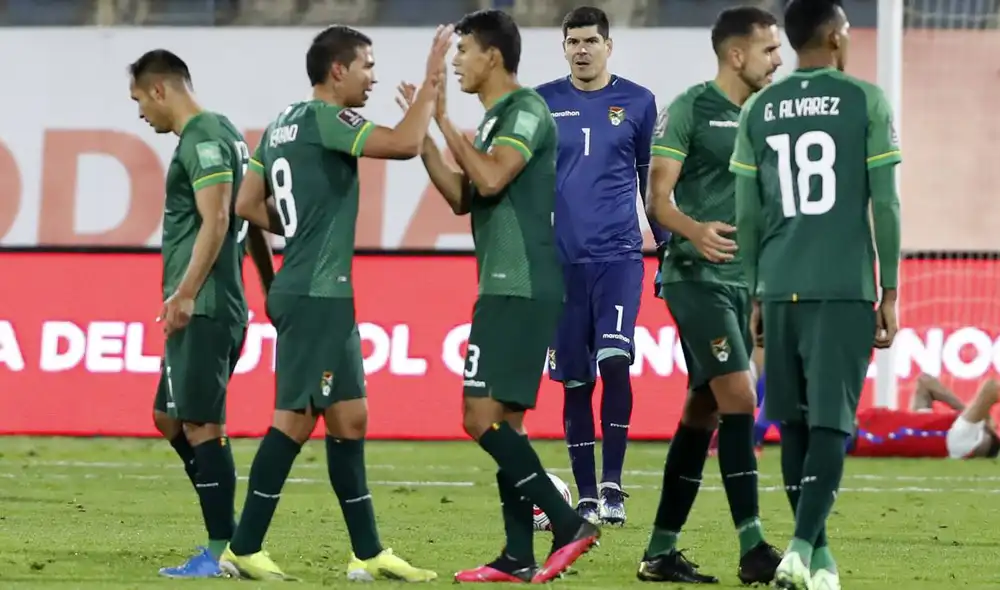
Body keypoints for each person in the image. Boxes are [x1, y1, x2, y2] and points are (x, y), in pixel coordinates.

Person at [218, 24, 451, 582]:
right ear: (338, 70)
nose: (372, 77)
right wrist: (431, 82)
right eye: (367, 66)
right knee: (293, 422)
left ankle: (367, 553)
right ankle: (241, 547)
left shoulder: (279, 125)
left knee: (350, 417)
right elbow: (401, 144)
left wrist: (282, 261)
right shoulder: (329, 118)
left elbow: (248, 204)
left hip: (313, 290)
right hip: (318, 295)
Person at [405, 9, 599, 584]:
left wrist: (442, 118)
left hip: (521, 285)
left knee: (478, 417)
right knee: (506, 426)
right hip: (505, 284)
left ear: (493, 55)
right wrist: (426, 138)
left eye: (463, 51)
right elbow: (463, 197)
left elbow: (492, 179)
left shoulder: (527, 110)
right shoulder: (493, 123)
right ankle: (517, 556)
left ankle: (569, 524)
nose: (457, 62)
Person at [731, 0, 902, 588]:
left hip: (778, 285)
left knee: (794, 425)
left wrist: (754, 292)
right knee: (831, 423)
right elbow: (886, 203)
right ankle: (801, 548)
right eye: (849, 30)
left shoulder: (759, 108)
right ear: (833, 36)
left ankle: (820, 560)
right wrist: (890, 290)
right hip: (842, 285)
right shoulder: (864, 101)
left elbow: (747, 215)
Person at [639, 6, 783, 585]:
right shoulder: (691, 108)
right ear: (736, 54)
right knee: (740, 400)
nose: (778, 60)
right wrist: (694, 230)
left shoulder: (767, 117)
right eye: (770, 50)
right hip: (694, 279)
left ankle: (659, 552)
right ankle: (753, 547)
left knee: (701, 412)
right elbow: (658, 200)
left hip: (742, 283)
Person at [129, 49, 274, 579]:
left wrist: (186, 292)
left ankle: (223, 550)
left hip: (207, 304)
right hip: (209, 301)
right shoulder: (226, 132)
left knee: (201, 424)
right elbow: (247, 212)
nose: (140, 113)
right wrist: (268, 279)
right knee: (170, 416)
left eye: (140, 99)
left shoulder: (204, 138)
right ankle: (231, 533)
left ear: (160, 89)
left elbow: (216, 220)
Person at [533, 5, 663, 527]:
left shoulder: (638, 102)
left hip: (619, 257)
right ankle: (585, 496)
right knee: (575, 381)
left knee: (614, 359)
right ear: (563, 47)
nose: (582, 50)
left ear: (609, 45)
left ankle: (612, 486)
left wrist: (667, 248)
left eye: (590, 41)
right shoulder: (542, 103)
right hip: (562, 263)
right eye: (573, 42)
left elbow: (651, 184)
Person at [850, 374, 1000, 459]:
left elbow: (991, 388)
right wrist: (966, 410)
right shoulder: (927, 429)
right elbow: (924, 382)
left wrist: (984, 418)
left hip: (858, 433)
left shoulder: (959, 439)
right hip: (859, 428)